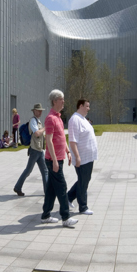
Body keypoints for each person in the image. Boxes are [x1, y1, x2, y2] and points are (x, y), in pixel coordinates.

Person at [42, 89, 78, 228]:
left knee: (51, 189)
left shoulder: (58, 117)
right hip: (53, 160)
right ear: (54, 101)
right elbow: (49, 141)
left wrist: (67, 151)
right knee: (62, 187)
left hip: (58, 158)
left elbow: (61, 137)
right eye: (61, 99)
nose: (63, 102)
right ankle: (65, 217)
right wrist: (55, 160)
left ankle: (45, 215)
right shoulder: (50, 118)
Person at [67, 99, 97, 215]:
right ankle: (83, 207)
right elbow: (73, 141)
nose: (89, 108)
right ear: (80, 106)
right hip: (82, 158)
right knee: (83, 182)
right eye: (87, 106)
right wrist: (77, 157)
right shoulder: (74, 120)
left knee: (83, 180)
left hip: (88, 157)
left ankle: (68, 197)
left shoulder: (82, 119)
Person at [14, 103, 48, 196]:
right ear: (34, 111)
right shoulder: (33, 121)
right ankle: (17, 187)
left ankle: (47, 191)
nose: (40, 112)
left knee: (45, 171)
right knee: (28, 170)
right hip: (34, 150)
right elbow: (37, 133)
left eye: (41, 110)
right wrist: (45, 128)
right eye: (38, 110)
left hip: (39, 149)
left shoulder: (38, 121)